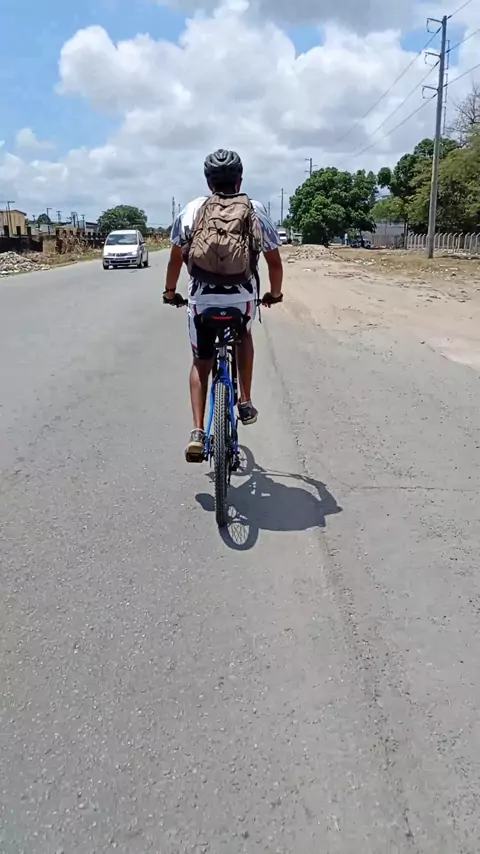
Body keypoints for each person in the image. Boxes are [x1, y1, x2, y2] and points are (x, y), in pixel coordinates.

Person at [163, 148, 284, 462]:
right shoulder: (255, 209)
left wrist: (170, 293)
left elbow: (175, 261)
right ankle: (245, 401)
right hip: (241, 299)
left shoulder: (192, 210)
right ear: (240, 180)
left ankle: (197, 432)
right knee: (244, 336)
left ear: (208, 182)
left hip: (201, 302)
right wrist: (274, 294)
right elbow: (274, 263)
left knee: (200, 363)